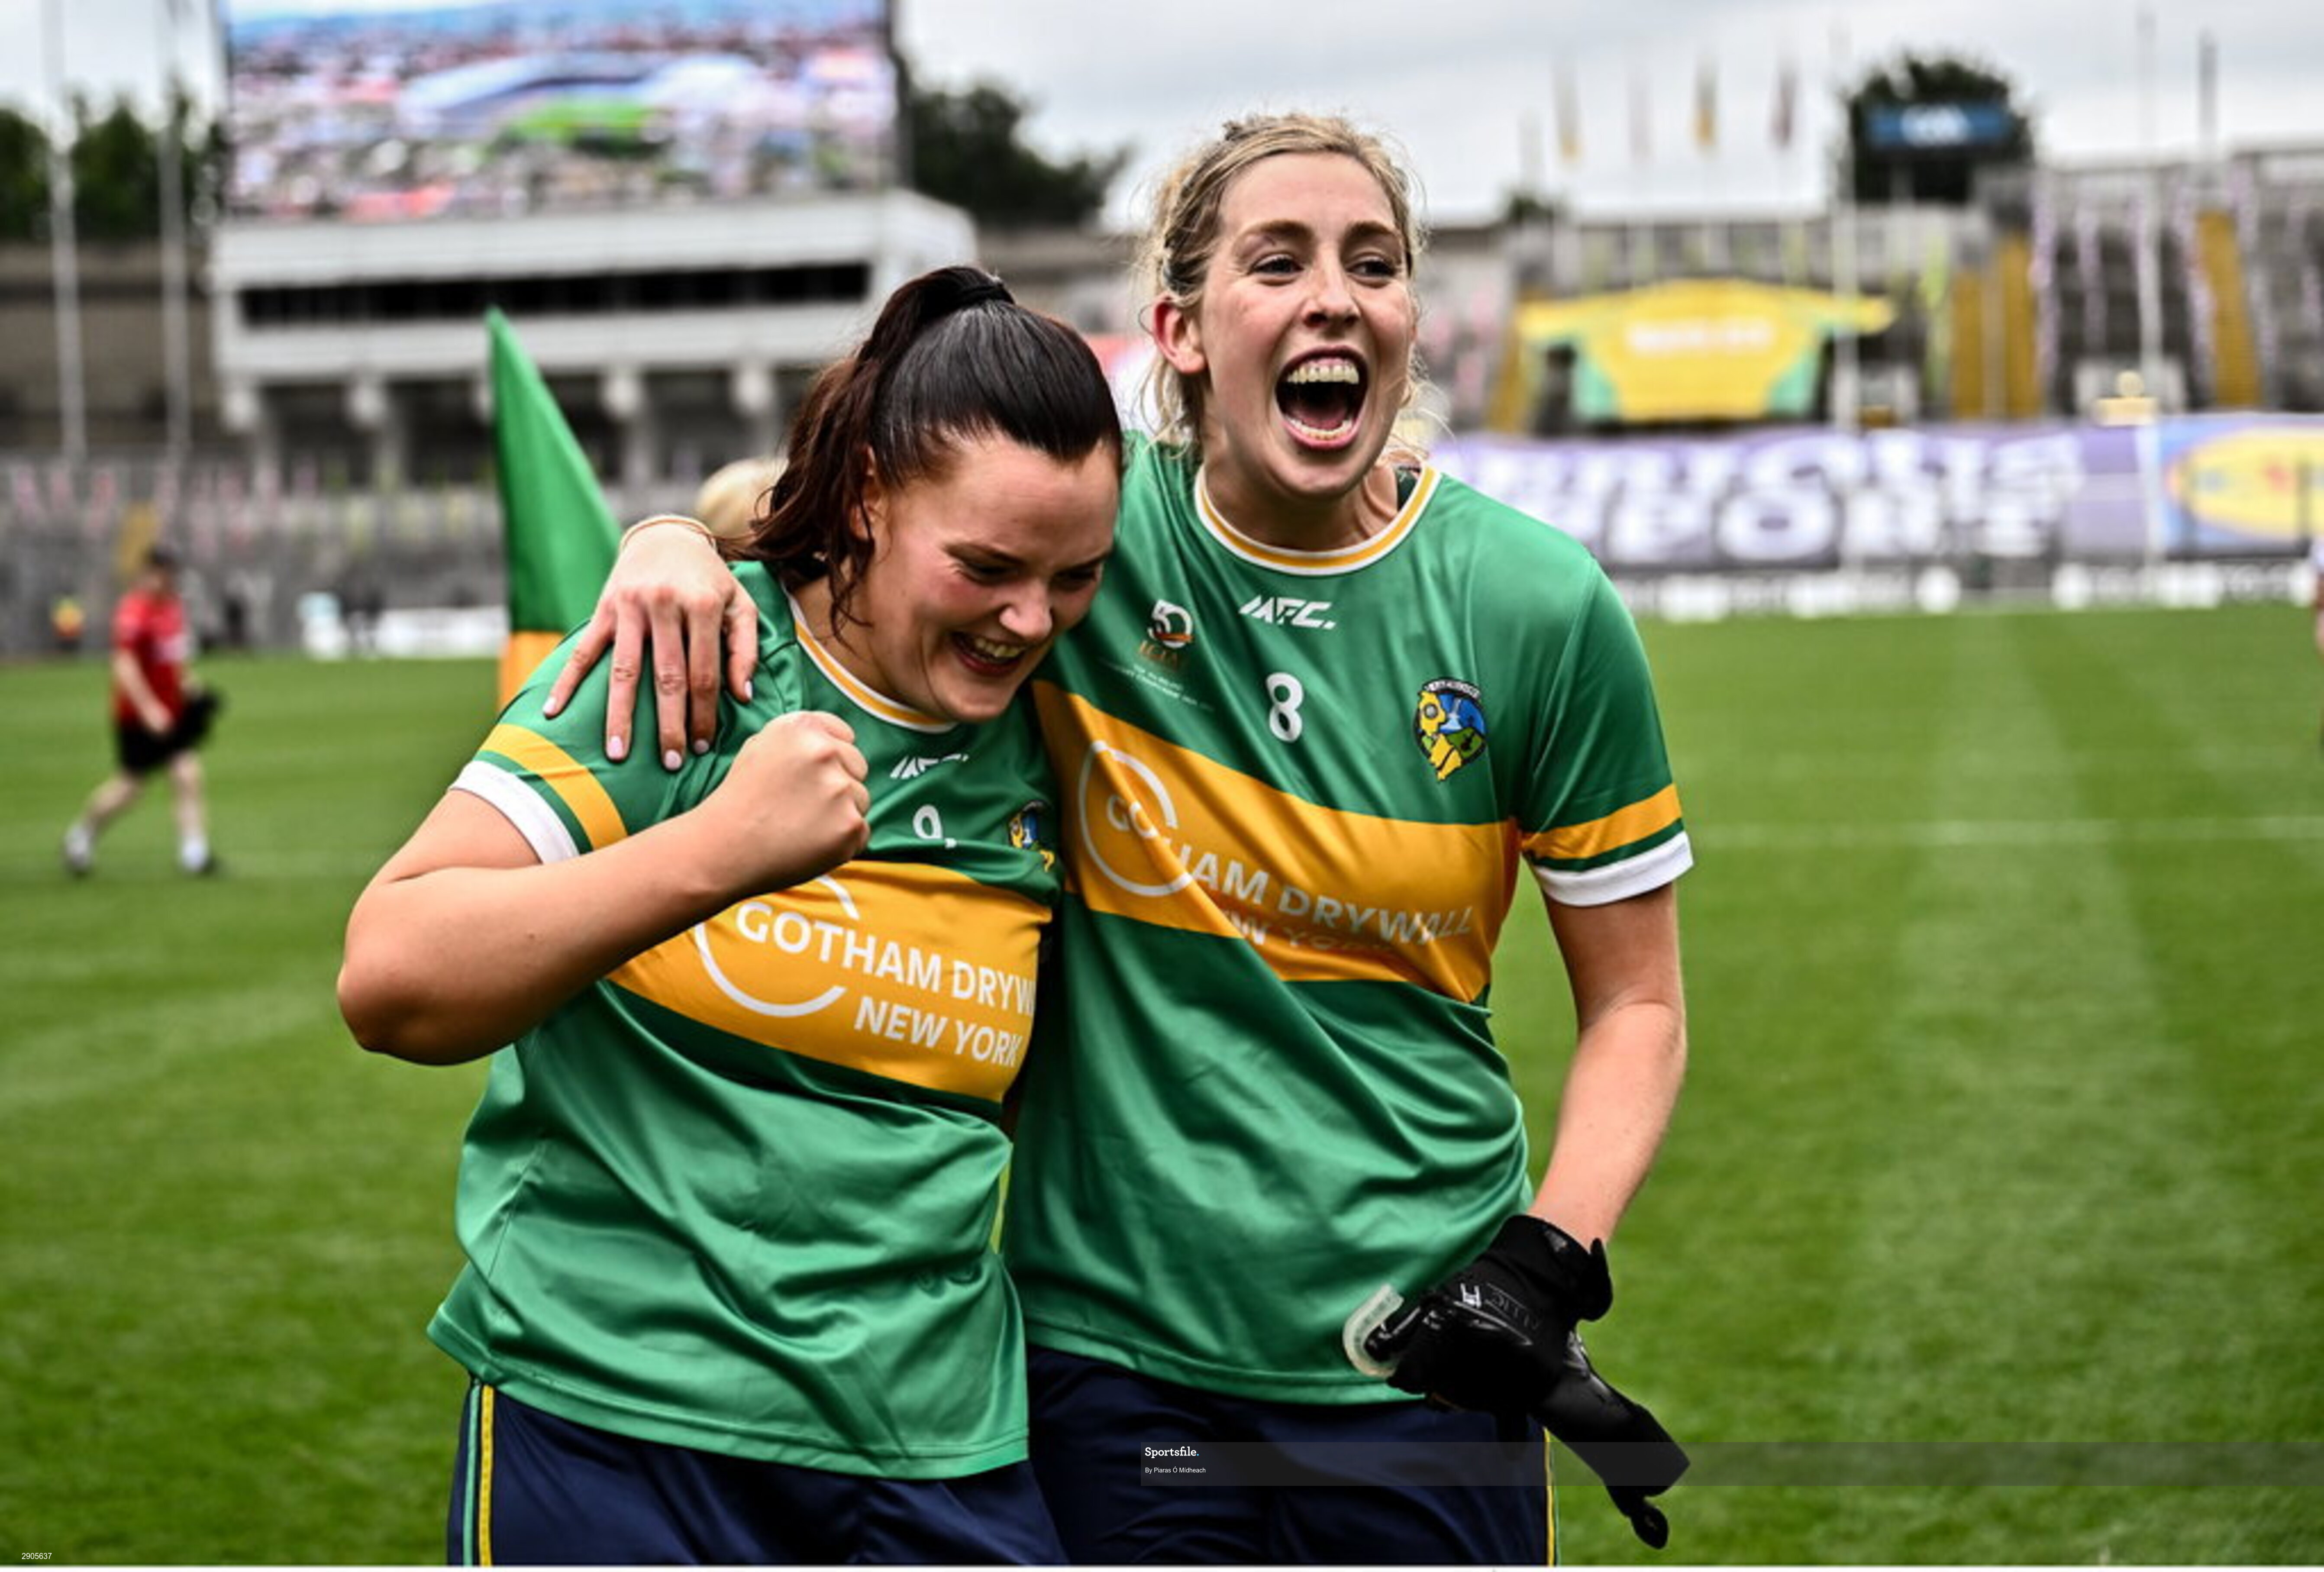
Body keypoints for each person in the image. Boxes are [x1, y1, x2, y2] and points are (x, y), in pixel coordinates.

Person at [567, 113, 1691, 1566]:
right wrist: (669, 536)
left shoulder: (1536, 607)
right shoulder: (1082, 551)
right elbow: (868, 525)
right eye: (1273, 262)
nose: (1332, 298)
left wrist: (1544, 1261)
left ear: (1411, 320)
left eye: (1374, 263)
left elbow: (1638, 1004)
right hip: (1119, 1366)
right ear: (1177, 327)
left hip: (1419, 1361)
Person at [336, 266, 1122, 1565]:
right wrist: (715, 851)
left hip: (936, 1447)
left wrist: (667, 525)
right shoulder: (692, 660)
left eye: (1073, 574)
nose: (1027, 619)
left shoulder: (1066, 705)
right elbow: (392, 972)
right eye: (983, 567)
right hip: (612, 1428)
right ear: (868, 492)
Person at [61, 544, 222, 877]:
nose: (167, 581)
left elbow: (173, 662)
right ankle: (81, 836)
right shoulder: (134, 612)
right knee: (129, 788)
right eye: (162, 573)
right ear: (149, 573)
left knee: (187, 774)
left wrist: (193, 687)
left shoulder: (173, 608)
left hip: (172, 712)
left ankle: (195, 852)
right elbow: (125, 665)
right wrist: (149, 708)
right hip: (138, 717)